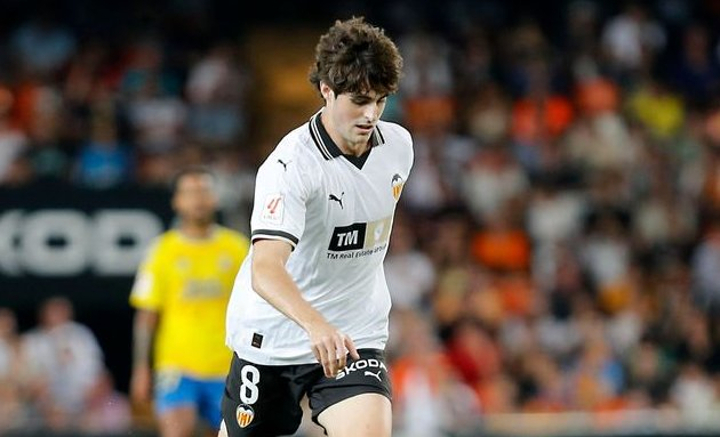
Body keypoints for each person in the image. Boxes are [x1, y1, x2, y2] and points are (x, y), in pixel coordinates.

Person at [220, 16, 412, 437]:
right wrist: (315, 324)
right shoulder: (290, 166)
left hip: (353, 334)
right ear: (327, 89)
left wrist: (331, 327)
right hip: (275, 338)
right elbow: (265, 269)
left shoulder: (399, 146)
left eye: (380, 101)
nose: (371, 114)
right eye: (359, 100)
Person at [129, 166, 250, 437]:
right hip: (177, 364)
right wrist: (140, 368)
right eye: (190, 192)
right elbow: (147, 315)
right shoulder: (162, 250)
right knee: (176, 430)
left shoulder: (237, 248)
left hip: (226, 365)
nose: (198, 199)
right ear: (177, 201)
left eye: (204, 191)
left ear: (215, 198)